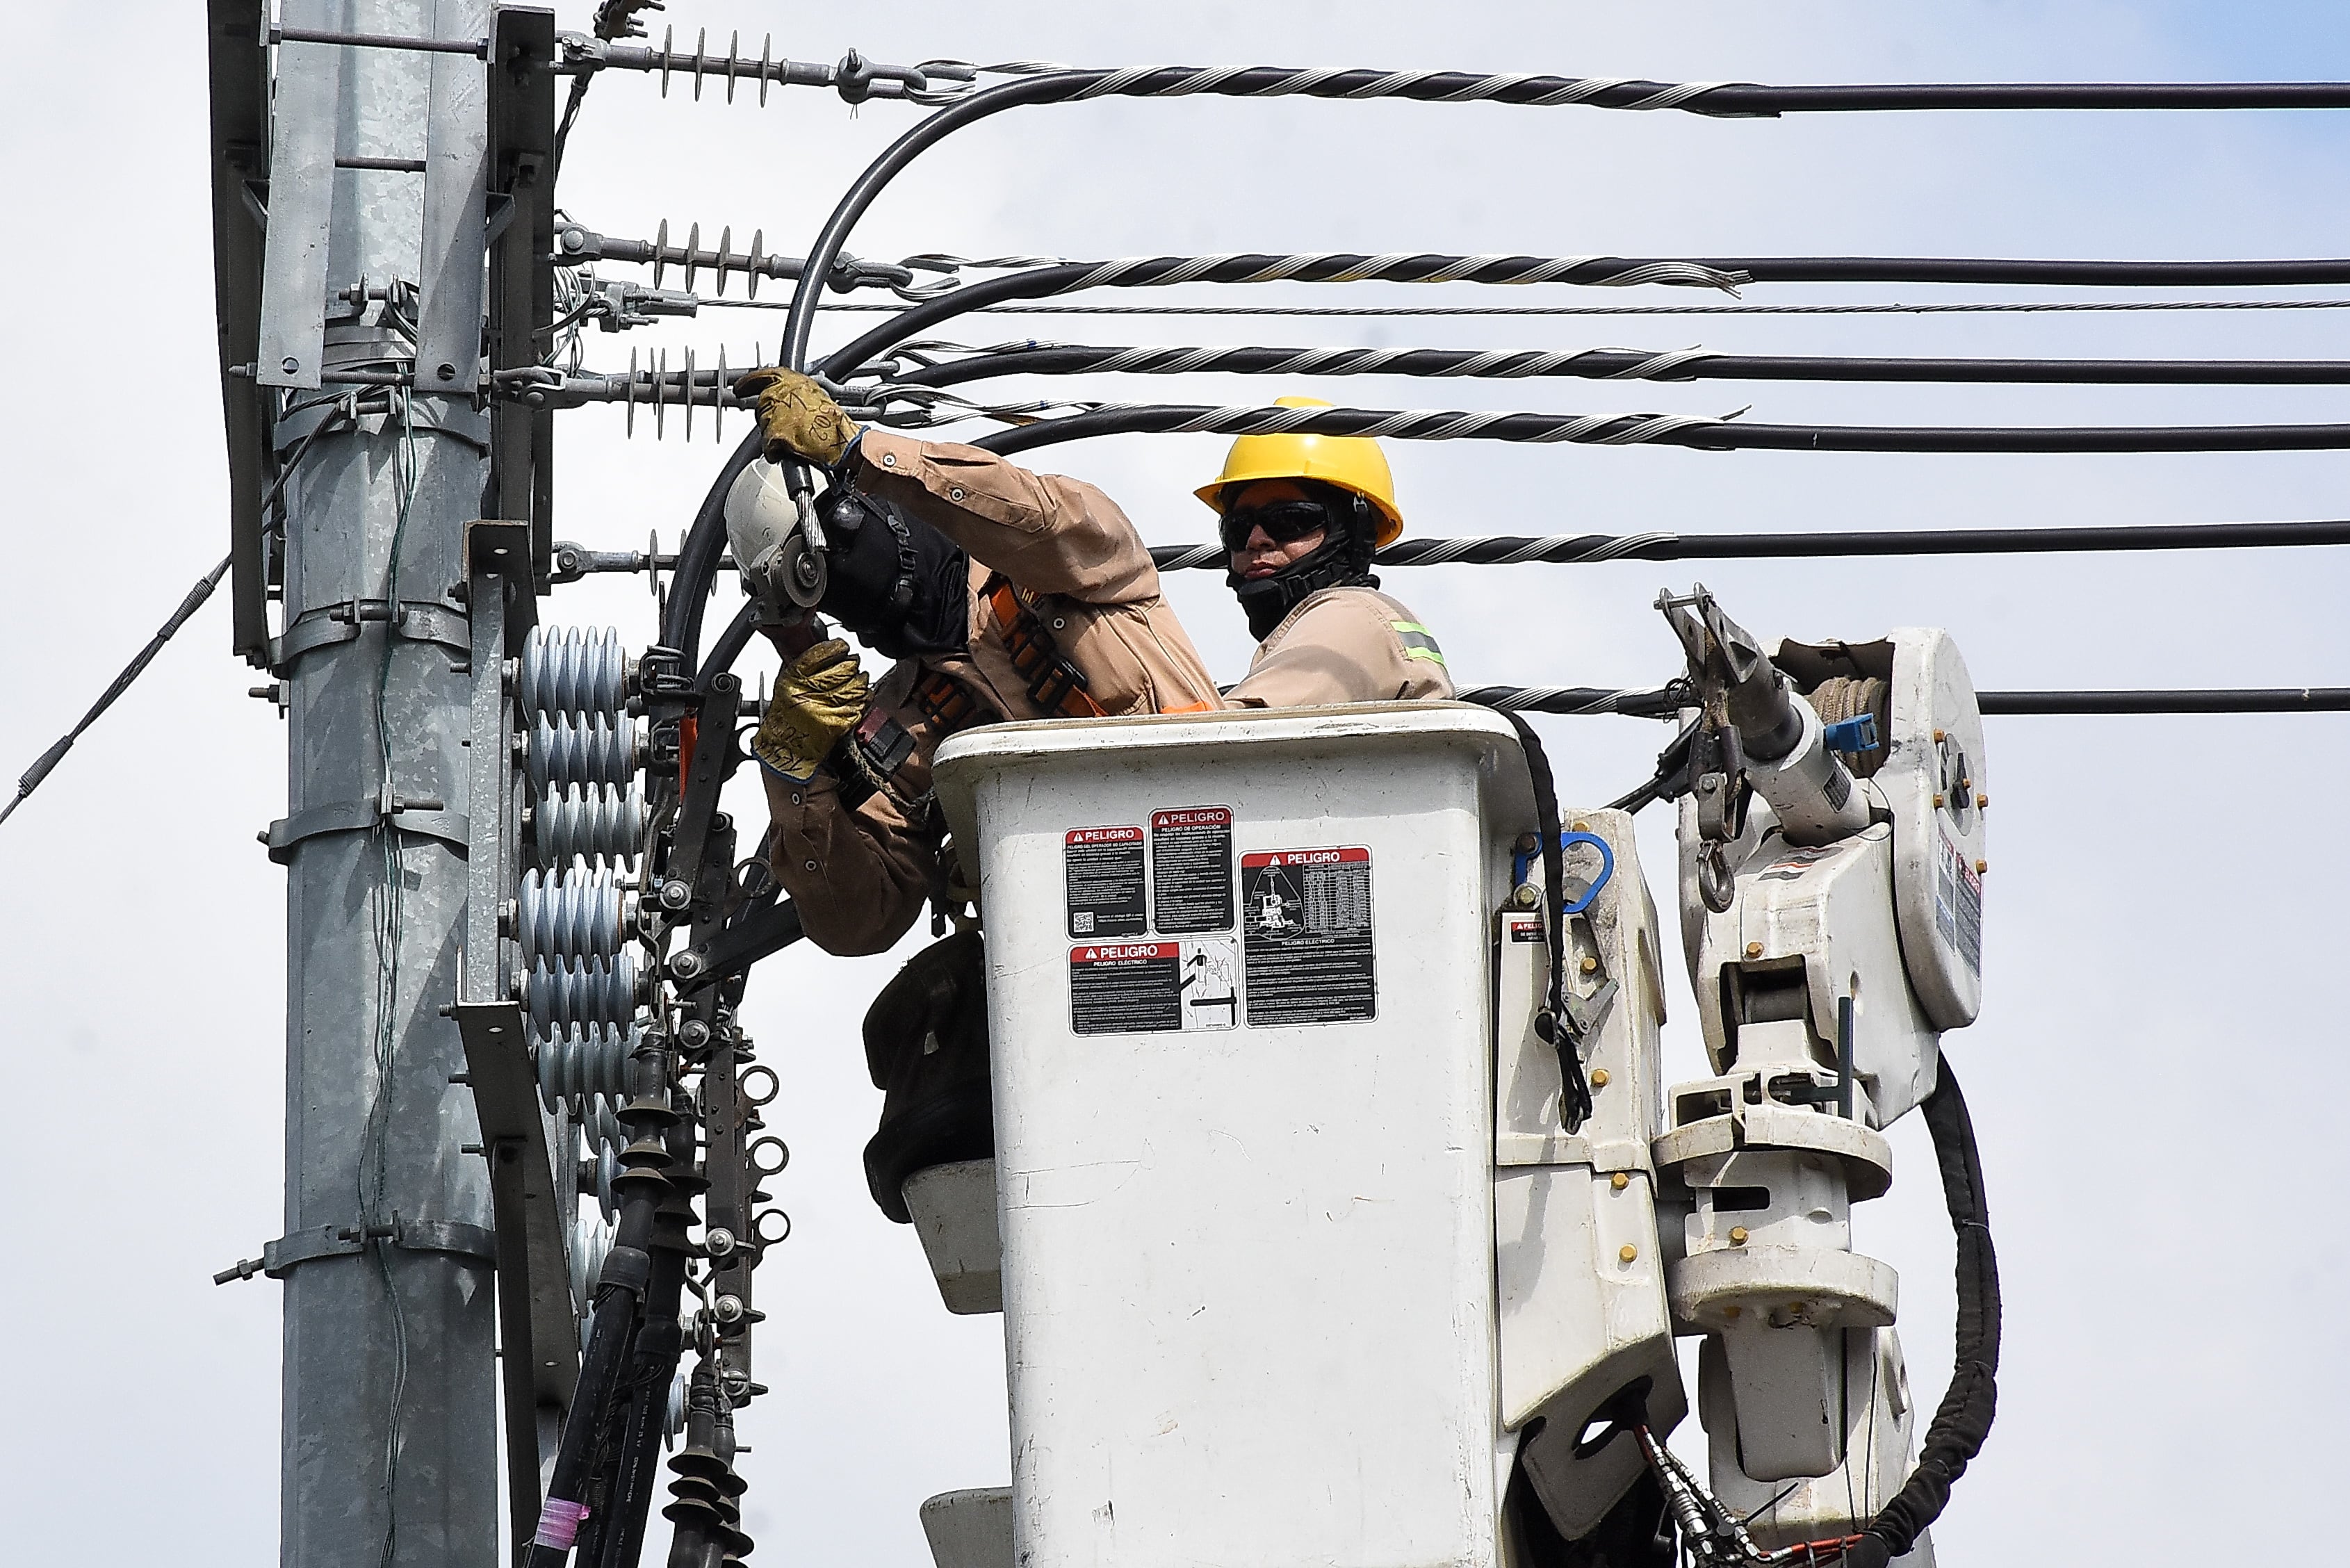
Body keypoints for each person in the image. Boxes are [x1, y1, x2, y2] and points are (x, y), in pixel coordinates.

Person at [1207, 396, 1453, 708]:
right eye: (1238, 528)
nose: (1256, 540)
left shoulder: (1350, 615)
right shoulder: (1355, 624)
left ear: (1353, 531)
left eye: (1289, 520)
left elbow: (1232, 736)